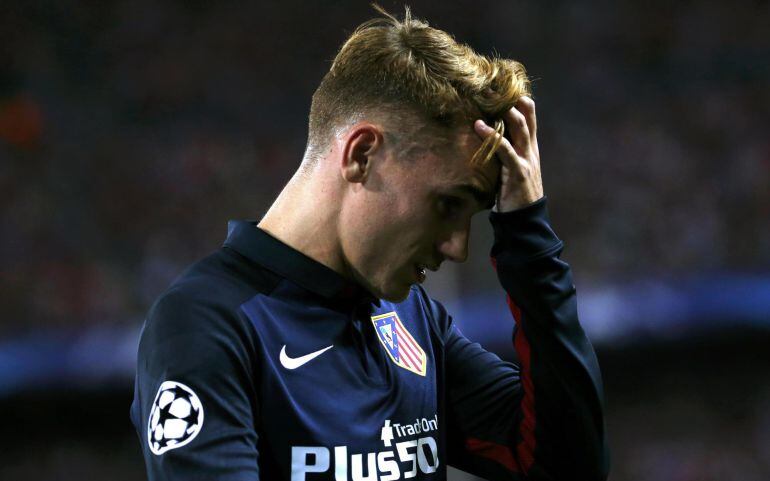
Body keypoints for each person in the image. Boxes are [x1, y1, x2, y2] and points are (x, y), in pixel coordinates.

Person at [130, 6, 609, 481]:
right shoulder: (206, 325)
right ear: (362, 154)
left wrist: (527, 233)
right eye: (448, 205)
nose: (457, 248)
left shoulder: (411, 319)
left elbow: (567, 467)